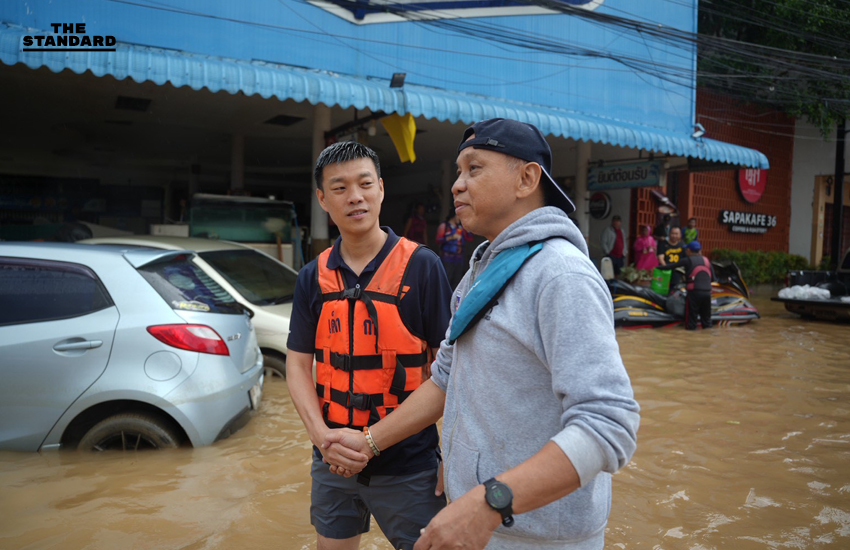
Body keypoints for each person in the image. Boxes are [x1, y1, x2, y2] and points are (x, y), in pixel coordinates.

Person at [321, 118, 640, 550]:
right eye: (458, 171)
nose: (457, 185)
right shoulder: (481, 273)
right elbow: (445, 380)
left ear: (527, 178)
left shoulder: (560, 275)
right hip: (478, 522)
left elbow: (609, 426)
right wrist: (371, 443)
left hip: (536, 534)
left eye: (474, 169)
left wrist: (489, 502)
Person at [285, 142, 452, 550]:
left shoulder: (423, 267)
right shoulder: (312, 276)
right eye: (339, 188)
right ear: (322, 199)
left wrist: (451, 455)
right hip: (332, 460)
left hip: (410, 465)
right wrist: (323, 438)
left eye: (364, 184)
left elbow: (452, 372)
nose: (354, 197)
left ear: (380, 188)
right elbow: (296, 364)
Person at [656, 240, 714, 330]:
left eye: (686, 250)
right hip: (707, 293)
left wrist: (656, 268)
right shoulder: (707, 261)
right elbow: (713, 278)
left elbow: (671, 266)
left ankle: (690, 340)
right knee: (707, 321)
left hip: (694, 293)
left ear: (689, 250)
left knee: (691, 321)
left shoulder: (687, 260)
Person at [435, 208, 473, 289]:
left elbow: (470, 238)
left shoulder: (460, 227)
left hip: (459, 258)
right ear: (454, 215)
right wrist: (451, 237)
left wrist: (467, 227)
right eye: (459, 216)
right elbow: (438, 240)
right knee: (446, 279)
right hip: (447, 258)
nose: (460, 219)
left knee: (457, 281)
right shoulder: (444, 226)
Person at [657, 226, 686, 292]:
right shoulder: (663, 244)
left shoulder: (682, 245)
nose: (674, 236)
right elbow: (661, 258)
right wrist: (666, 268)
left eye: (676, 234)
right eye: (672, 233)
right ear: (669, 234)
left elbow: (686, 259)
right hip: (665, 273)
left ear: (680, 235)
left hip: (677, 274)